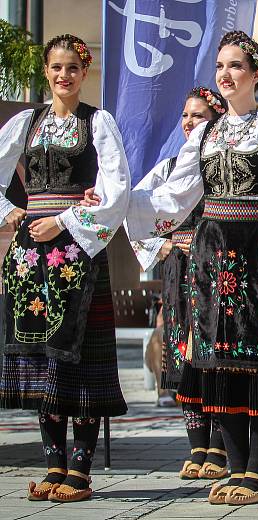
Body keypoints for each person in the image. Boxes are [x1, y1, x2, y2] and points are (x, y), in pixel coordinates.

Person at [124, 31, 258, 505]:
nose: (226, 75)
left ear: (256, 74)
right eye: (221, 67)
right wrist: (125, 202)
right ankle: (235, 467)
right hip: (210, 253)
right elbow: (176, 196)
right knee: (217, 359)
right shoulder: (204, 133)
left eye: (236, 67)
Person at [0, 34, 130, 502]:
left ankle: (80, 468)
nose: (63, 75)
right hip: (31, 254)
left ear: (84, 71)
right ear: (46, 72)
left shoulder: (98, 122)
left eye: (72, 67)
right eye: (56, 67)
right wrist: (7, 210)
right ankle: (52, 464)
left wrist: (66, 219)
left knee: (82, 356)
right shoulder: (26, 123)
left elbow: (116, 188)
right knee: (44, 356)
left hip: (78, 250)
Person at [114, 87, 230, 480]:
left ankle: (219, 446)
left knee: (217, 353)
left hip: (219, 273)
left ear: (216, 121)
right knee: (183, 355)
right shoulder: (167, 168)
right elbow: (132, 208)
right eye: (186, 115)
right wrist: (162, 244)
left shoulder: (225, 171)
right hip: (181, 272)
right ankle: (197, 446)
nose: (189, 122)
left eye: (198, 116)